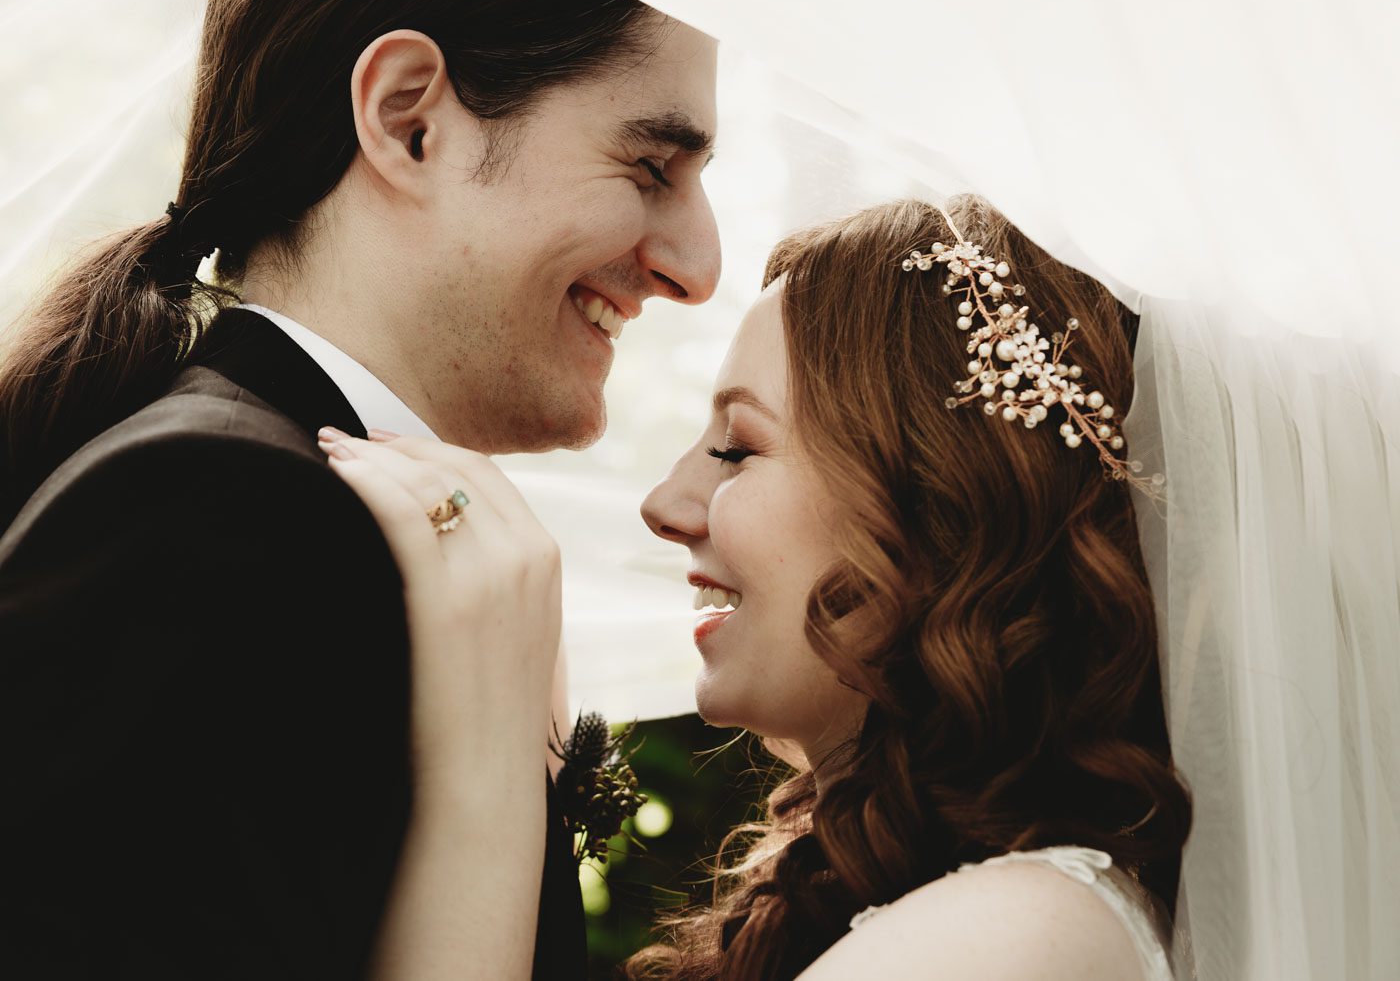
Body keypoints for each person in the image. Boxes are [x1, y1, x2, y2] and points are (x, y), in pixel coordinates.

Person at [0, 0, 719, 977]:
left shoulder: (329, 525)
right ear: (408, 119)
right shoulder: (214, 518)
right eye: (650, 166)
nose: (700, 265)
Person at [324, 196, 1193, 979]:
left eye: (737, 446)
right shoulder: (926, 901)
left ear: (942, 506)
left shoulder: (1020, 933)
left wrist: (484, 775)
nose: (666, 505)